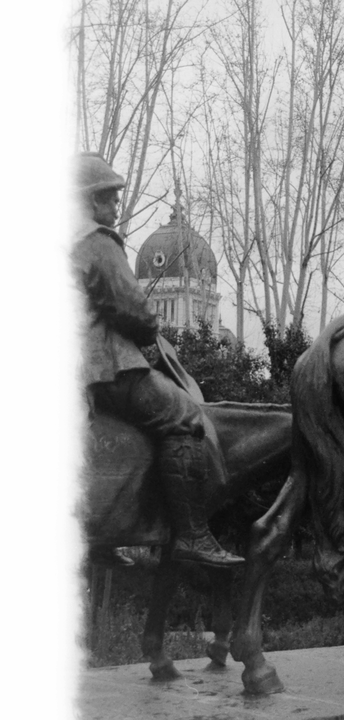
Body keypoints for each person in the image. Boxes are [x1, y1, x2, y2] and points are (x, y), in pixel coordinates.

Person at [73, 152, 244, 568]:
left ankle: (100, 538)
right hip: (102, 364)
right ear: (90, 200)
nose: (116, 205)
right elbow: (136, 311)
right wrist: (148, 332)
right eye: (110, 197)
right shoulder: (96, 240)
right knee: (184, 416)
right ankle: (192, 536)